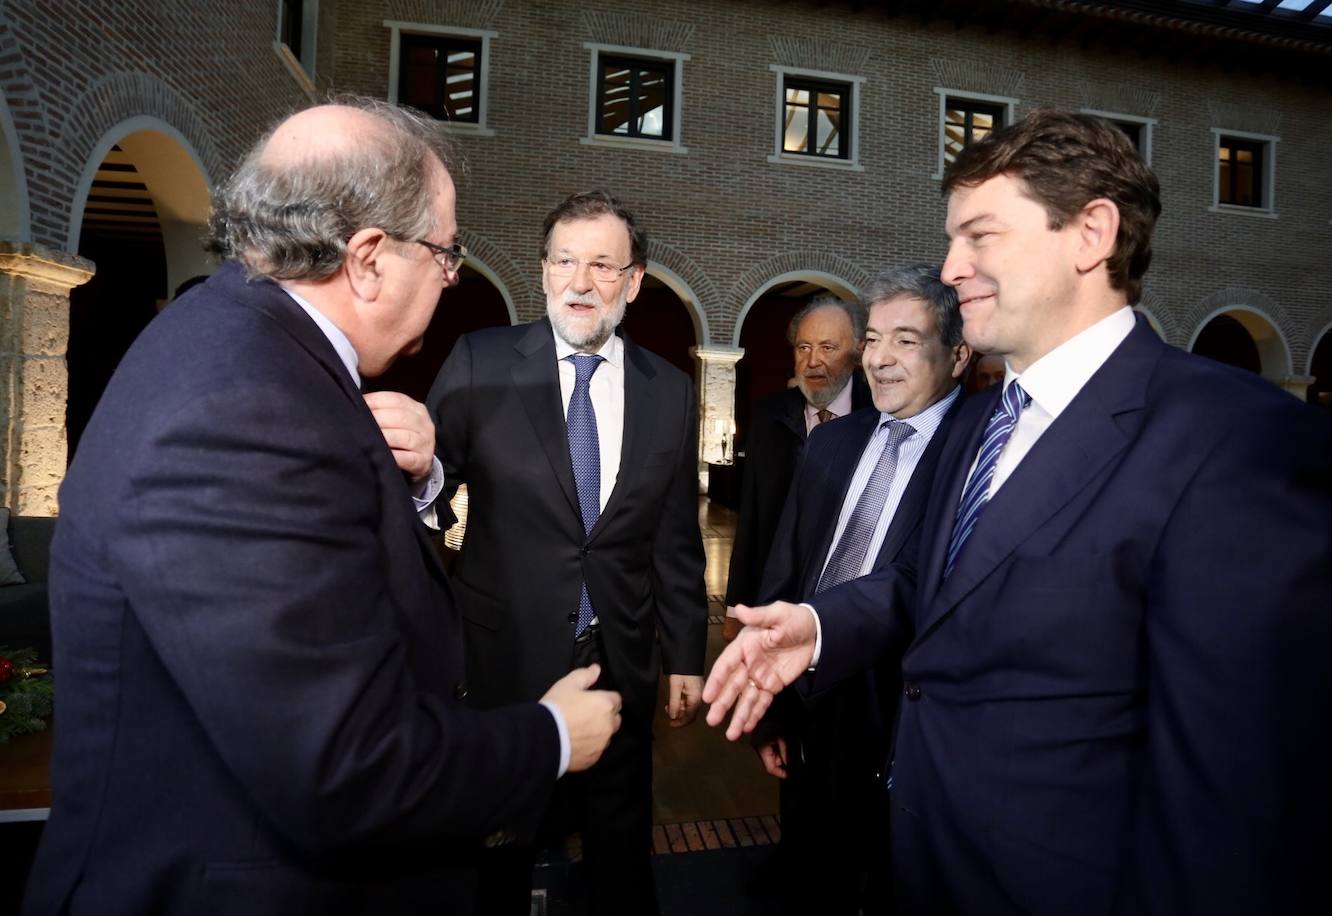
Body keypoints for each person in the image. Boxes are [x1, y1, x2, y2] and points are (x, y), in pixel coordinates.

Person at [704, 110, 1332, 915]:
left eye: (980, 237)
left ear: (1090, 233)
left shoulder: (1241, 443)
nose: (952, 269)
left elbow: (1252, 807)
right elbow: (937, 585)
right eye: (952, 241)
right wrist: (821, 627)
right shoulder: (980, 423)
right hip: (927, 867)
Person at [22, 99, 622, 916]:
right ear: (370, 257)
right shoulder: (243, 402)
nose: (450, 278)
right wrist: (550, 737)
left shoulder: (241, 343)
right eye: (446, 253)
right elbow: (346, 768)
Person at [426, 189, 706, 916]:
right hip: (500, 658)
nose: (581, 283)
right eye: (565, 262)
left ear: (634, 282)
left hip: (621, 660)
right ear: (544, 270)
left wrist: (684, 655)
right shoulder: (481, 361)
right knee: (501, 846)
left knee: (620, 845)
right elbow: (429, 494)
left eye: (603, 266)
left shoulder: (670, 391)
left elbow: (674, 538)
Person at [751, 265, 968, 916]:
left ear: (957, 355)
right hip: (814, 714)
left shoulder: (978, 453)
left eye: (905, 340)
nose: (879, 358)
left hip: (906, 731)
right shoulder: (834, 443)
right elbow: (786, 577)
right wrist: (773, 708)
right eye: (872, 339)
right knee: (809, 878)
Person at [723, 297, 870, 641]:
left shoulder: (879, 416)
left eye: (828, 347)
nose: (813, 361)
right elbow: (752, 520)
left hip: (848, 606)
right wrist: (735, 607)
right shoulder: (769, 416)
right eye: (803, 347)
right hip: (776, 602)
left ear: (858, 352)